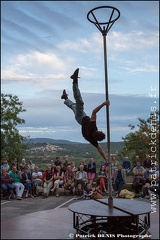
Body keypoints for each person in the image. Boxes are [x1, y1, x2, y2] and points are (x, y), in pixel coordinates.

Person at [61, 68, 110, 162]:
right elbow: (100, 149)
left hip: (82, 117)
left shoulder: (93, 127)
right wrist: (106, 159)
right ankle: (65, 98)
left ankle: (74, 81)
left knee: (79, 102)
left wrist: (104, 103)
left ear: (98, 131)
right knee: (73, 106)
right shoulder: (92, 140)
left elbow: (94, 111)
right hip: (80, 120)